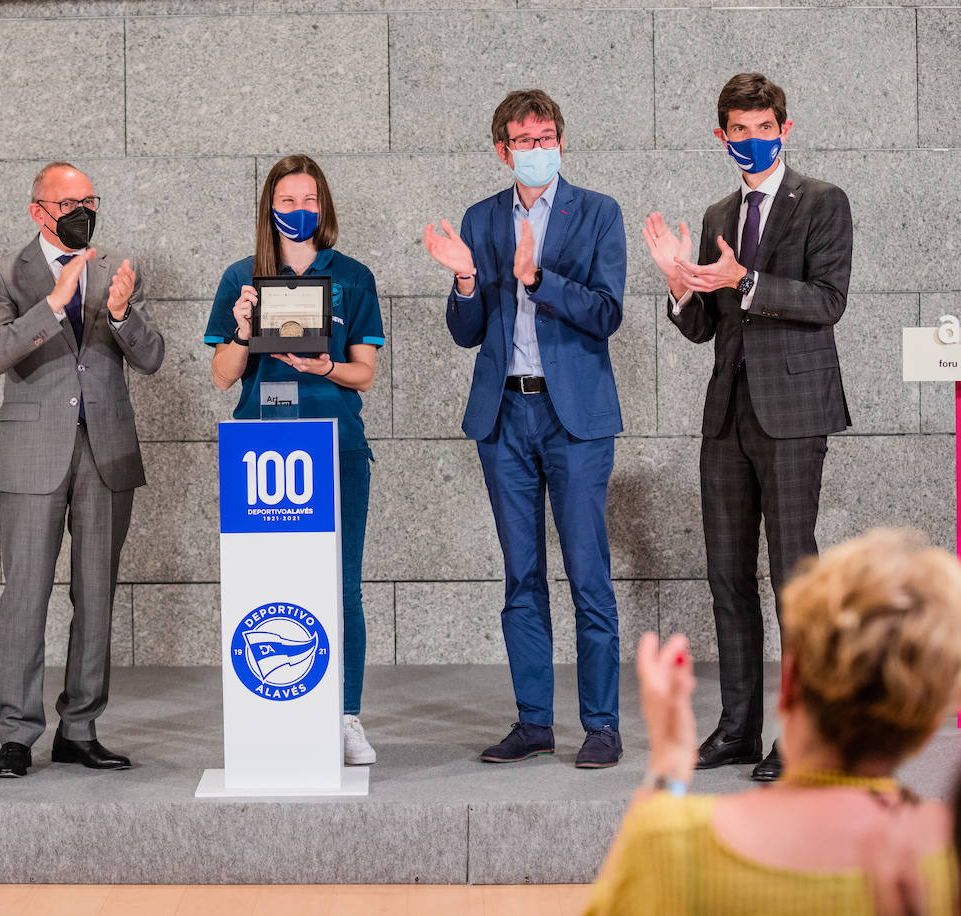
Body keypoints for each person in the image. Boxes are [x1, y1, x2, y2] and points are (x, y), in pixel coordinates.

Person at [643, 73, 853, 782]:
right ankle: (738, 729)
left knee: (795, 576)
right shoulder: (716, 214)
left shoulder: (823, 202)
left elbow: (828, 301)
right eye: (740, 129)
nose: (753, 139)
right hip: (727, 415)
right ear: (721, 135)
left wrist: (745, 282)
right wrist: (679, 282)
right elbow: (704, 327)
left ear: (784, 129)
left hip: (795, 414)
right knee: (728, 577)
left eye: (765, 127)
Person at [584, 528, 961, 914]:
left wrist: (666, 769)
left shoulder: (671, 841)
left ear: (790, 681)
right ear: (930, 720)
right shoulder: (946, 860)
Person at [423, 89, 626, 768]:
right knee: (521, 575)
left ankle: (601, 724)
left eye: (546, 139)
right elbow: (465, 333)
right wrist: (463, 284)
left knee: (588, 574)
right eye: (523, 141)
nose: (536, 150)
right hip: (504, 414)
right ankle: (533, 721)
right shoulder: (481, 219)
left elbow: (606, 313)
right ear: (502, 149)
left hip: (576, 420)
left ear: (560, 142)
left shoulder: (598, 213)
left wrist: (537, 279)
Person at [0, 162, 164, 778]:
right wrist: (54, 305)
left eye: (90, 200)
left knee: (96, 596)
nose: (83, 211)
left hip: (105, 450)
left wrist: (119, 314)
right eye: (69, 203)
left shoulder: (117, 267)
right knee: (25, 597)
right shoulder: (7, 272)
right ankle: (16, 733)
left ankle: (79, 728)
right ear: (38, 210)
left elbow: (153, 356)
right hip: (33, 452)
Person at [205, 154, 385, 765]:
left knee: (343, 584)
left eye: (309, 200)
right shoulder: (241, 276)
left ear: (324, 207)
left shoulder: (353, 276)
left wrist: (323, 366)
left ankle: (345, 716)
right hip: (258, 450)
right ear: (269, 207)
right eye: (287, 201)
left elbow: (366, 373)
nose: (298, 210)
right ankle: (269, 711)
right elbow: (222, 378)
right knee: (265, 582)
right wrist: (241, 329)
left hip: (335, 445)